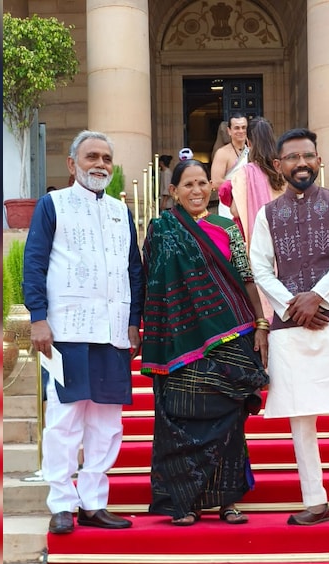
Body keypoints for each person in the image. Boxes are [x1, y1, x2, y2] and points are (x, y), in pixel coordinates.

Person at [249, 128, 329, 528]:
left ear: (319, 160)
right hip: (290, 327)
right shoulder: (267, 214)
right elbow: (259, 266)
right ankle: (315, 501)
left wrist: (317, 298)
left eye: (308, 156)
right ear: (278, 165)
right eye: (292, 157)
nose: (301, 163)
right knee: (300, 417)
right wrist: (294, 305)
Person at [23, 131, 144, 536]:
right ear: (72, 164)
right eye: (92, 156)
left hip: (111, 331)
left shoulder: (119, 211)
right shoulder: (51, 205)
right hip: (66, 330)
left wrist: (133, 322)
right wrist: (38, 316)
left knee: (107, 423)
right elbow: (34, 263)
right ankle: (61, 502)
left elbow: (134, 270)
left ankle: (94, 502)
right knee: (64, 418)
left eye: (107, 158)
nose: (101, 164)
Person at [141, 159, 270, 526]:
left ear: (212, 188)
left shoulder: (227, 228)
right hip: (180, 339)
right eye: (188, 186)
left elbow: (245, 278)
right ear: (173, 192)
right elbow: (154, 285)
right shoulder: (161, 230)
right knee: (182, 415)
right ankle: (186, 501)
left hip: (229, 333)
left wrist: (261, 323)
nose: (196, 191)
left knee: (229, 417)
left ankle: (228, 499)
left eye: (202, 184)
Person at [218, 116, 286, 320]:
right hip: (283, 244)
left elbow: (236, 211)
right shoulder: (281, 172)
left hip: (255, 242)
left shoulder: (245, 173)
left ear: (249, 142)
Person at [211, 114, 250, 217]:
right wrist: (243, 186)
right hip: (228, 206)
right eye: (236, 128)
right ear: (229, 131)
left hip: (249, 204)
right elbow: (216, 182)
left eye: (243, 127)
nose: (241, 131)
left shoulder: (253, 152)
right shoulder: (222, 153)